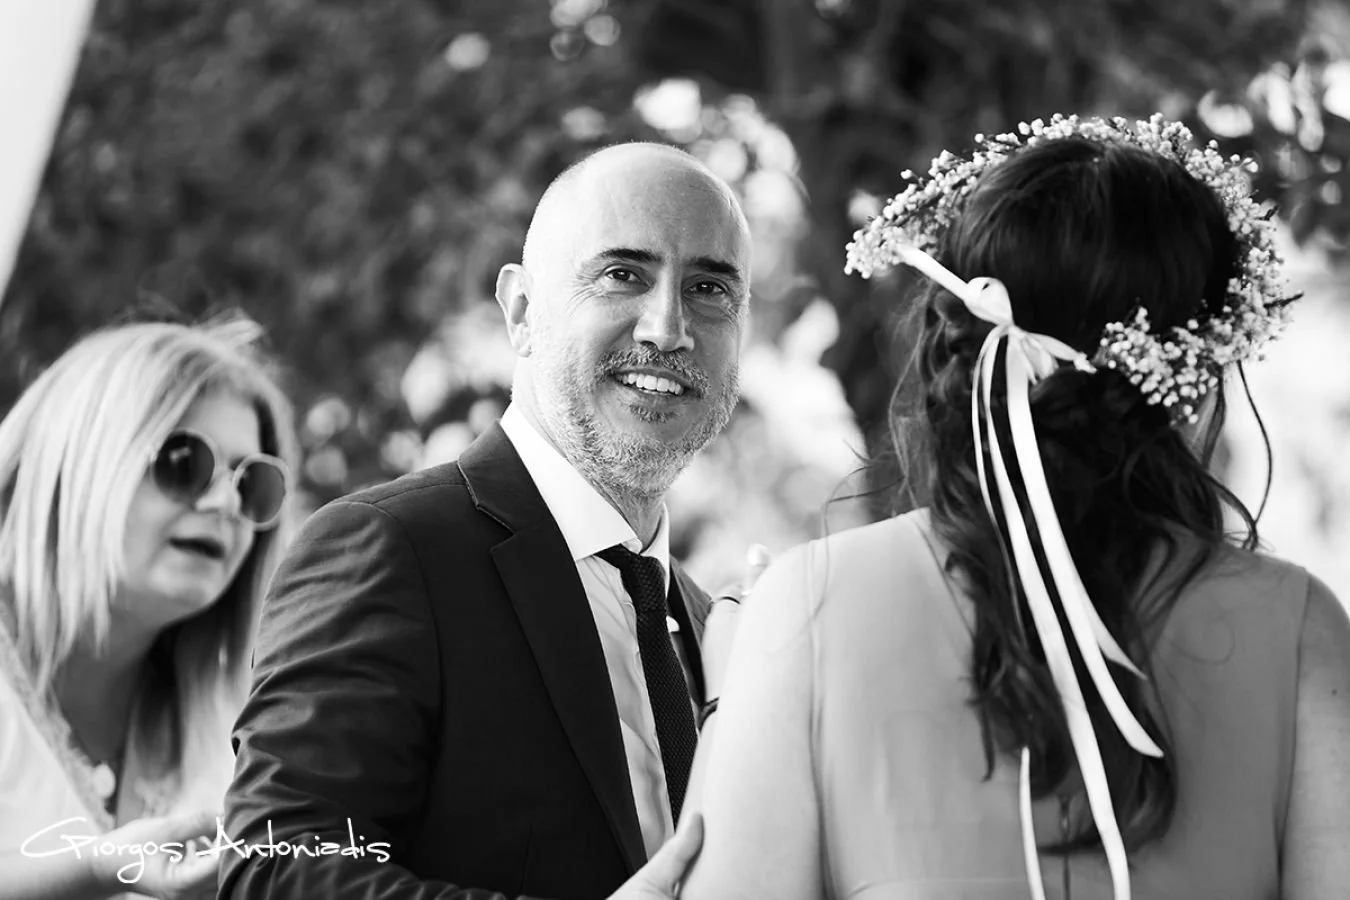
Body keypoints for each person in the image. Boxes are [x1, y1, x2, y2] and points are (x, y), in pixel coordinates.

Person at [678, 114, 1350, 900]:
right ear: (1193, 375)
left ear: (949, 342)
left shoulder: (805, 607)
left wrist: (731, 701)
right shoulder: (1301, 628)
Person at [219, 141, 754, 899]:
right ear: (522, 311)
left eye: (708, 288)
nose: (667, 328)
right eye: (622, 275)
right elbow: (275, 872)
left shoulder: (706, 625)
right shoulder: (392, 549)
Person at [0, 317, 299, 899]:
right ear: (75, 457)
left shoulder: (235, 737)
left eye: (252, 485)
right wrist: (95, 870)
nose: (223, 503)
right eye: (184, 462)